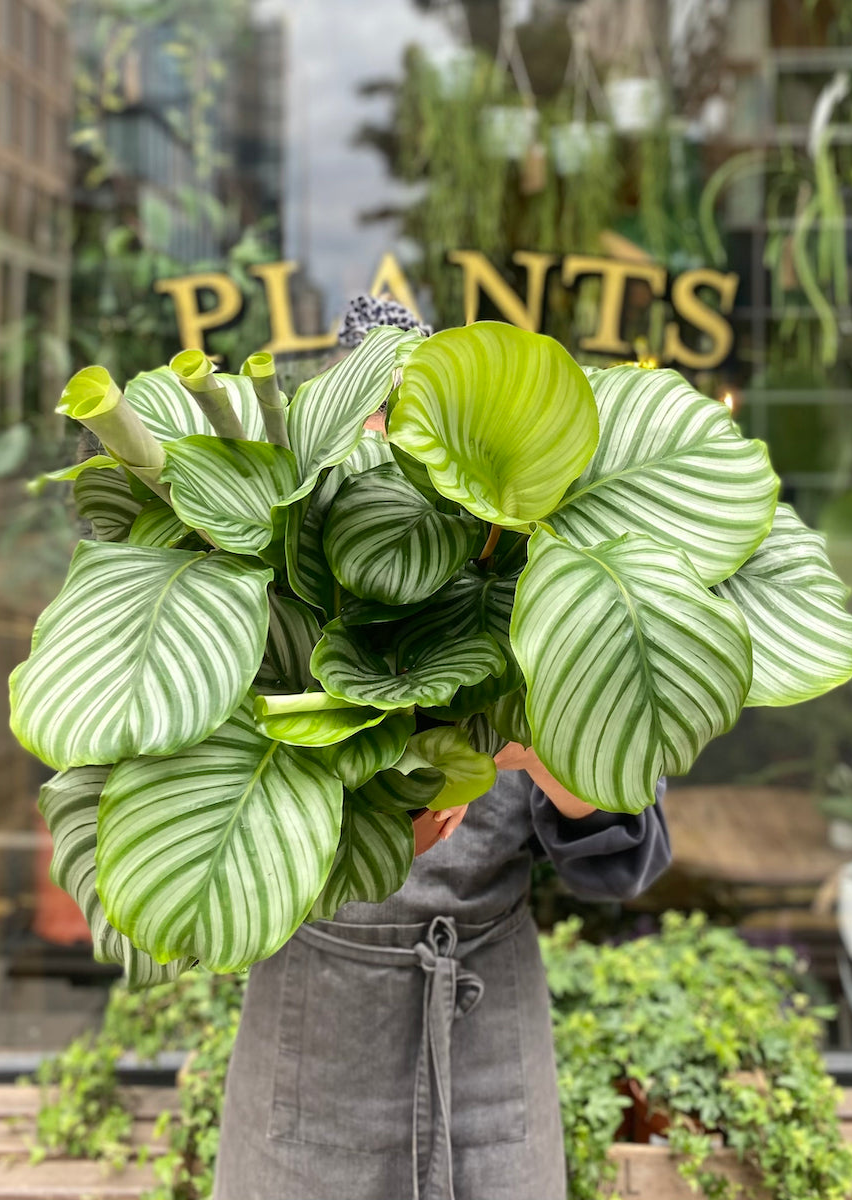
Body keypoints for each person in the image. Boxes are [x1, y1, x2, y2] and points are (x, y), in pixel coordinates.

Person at [211, 301, 671, 1200]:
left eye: (420, 419)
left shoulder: (527, 578)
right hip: (314, 1029)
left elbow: (626, 861)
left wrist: (535, 749)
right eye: (374, 421)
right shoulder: (281, 588)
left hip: (487, 1020)